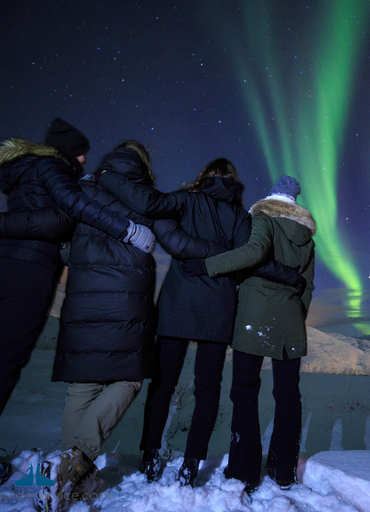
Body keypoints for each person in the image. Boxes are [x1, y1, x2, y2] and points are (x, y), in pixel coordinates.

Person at [0, 119, 154, 503]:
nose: (82, 158)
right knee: (3, 363)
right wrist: (126, 230)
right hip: (28, 269)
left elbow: (47, 222)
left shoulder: (22, 171)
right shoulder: (54, 169)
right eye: (79, 152)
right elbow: (72, 206)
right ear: (65, 152)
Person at [95, 158, 304, 486]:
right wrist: (289, 275)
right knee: (208, 389)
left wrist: (107, 178)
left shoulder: (184, 200)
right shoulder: (239, 216)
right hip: (218, 310)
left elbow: (147, 202)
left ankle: (150, 455)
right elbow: (250, 260)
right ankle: (192, 462)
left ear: (204, 176)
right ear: (234, 182)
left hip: (177, 304)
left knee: (163, 385)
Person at [188, 175, 315, 493]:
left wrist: (208, 266)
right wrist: (294, 317)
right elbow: (307, 288)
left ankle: (244, 470)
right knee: (288, 396)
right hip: (290, 322)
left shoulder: (263, 218)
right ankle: (283, 471)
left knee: (244, 390)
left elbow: (255, 252)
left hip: (254, 318)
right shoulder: (308, 239)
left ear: (271, 197)